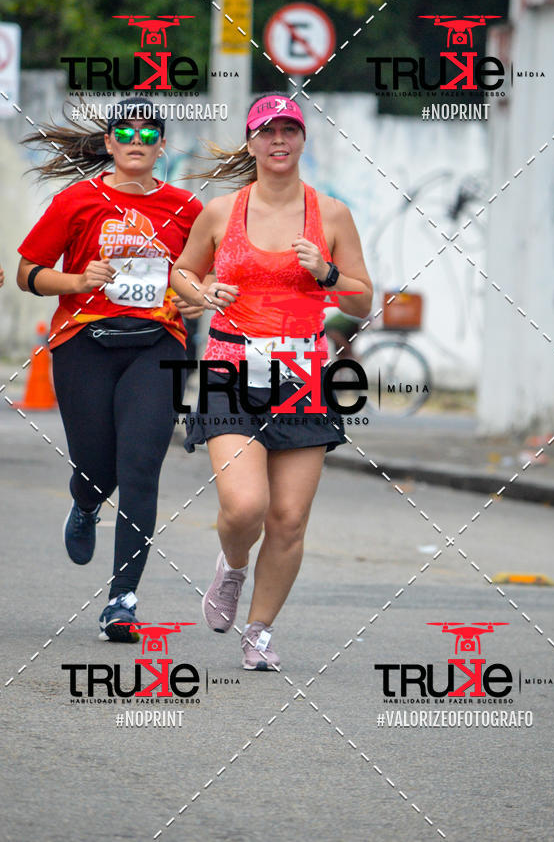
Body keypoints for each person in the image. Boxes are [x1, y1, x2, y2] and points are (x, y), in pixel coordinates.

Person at [171, 93, 372, 670]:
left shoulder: (330, 214)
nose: (279, 140)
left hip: (303, 372)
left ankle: (259, 632)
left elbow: (361, 300)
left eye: (289, 130)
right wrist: (202, 293)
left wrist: (327, 273)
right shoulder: (221, 211)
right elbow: (184, 271)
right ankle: (232, 567)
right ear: (252, 142)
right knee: (244, 507)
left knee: (288, 518)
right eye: (267, 131)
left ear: (303, 140)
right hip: (230, 368)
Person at [16, 97, 204, 641]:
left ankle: (122, 600)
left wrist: (193, 298)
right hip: (84, 344)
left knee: (141, 468)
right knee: (98, 466)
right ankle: (85, 501)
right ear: (109, 144)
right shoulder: (77, 201)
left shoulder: (186, 208)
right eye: (126, 131)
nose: (137, 140)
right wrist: (76, 282)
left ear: (162, 145)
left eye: (150, 132)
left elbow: (192, 277)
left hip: (158, 345)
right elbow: (29, 272)